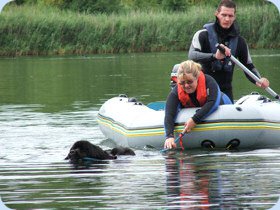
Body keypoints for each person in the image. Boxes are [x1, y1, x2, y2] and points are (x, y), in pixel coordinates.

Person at [188, 0, 269, 102]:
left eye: (230, 16)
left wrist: (258, 79)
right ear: (217, 14)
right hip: (203, 89)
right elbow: (192, 55)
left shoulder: (240, 42)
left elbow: (248, 66)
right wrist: (214, 57)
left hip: (226, 91)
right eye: (224, 15)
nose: (227, 19)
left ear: (234, 17)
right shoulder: (202, 35)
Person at [164, 60, 232, 149]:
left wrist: (195, 119)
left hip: (224, 105)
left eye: (190, 81)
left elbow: (213, 103)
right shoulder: (176, 92)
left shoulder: (209, 82)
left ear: (197, 77)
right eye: (182, 83)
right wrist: (169, 136)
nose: (186, 86)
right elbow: (169, 113)